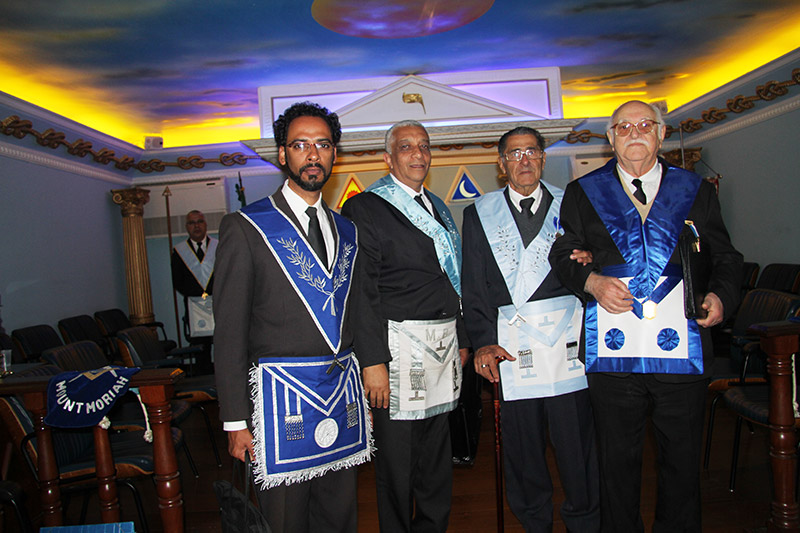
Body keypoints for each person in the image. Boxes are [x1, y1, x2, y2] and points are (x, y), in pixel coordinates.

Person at [549, 100, 743, 532]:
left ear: (660, 133)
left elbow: (726, 258)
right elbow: (563, 254)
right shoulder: (583, 191)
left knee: (682, 464)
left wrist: (721, 297)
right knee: (615, 465)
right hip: (613, 356)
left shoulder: (695, 189)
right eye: (623, 127)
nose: (634, 133)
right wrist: (592, 282)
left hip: (682, 350)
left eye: (644, 125)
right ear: (610, 138)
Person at [214, 101, 372, 533]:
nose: (313, 154)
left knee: (339, 518)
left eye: (323, 144)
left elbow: (354, 315)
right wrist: (235, 421)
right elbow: (229, 333)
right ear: (283, 154)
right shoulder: (247, 227)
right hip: (279, 406)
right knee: (285, 522)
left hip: (340, 397)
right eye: (301, 145)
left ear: (335, 154)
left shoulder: (348, 230)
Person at [462, 126, 600, 532]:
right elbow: (474, 285)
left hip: (566, 345)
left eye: (532, 152)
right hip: (511, 347)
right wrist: (483, 342)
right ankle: (534, 522)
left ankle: (585, 521)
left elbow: (595, 263)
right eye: (514, 154)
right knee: (522, 449)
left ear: (543, 157)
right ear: (501, 164)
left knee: (576, 445)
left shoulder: (572, 204)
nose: (524, 160)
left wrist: (592, 259)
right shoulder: (479, 213)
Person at [341, 120, 469, 532]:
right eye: (406, 146)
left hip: (443, 349)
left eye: (424, 146)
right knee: (397, 467)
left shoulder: (439, 207)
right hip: (397, 354)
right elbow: (362, 292)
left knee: (436, 459)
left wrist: (463, 338)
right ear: (388, 158)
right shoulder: (365, 208)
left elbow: (453, 279)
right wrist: (372, 361)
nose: (418, 154)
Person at [171, 210, 215, 372]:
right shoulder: (179, 251)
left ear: (205, 225)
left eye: (199, 222)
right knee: (200, 346)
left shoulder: (218, 247)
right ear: (187, 227)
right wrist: (197, 295)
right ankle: (203, 375)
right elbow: (177, 280)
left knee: (222, 341)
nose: (196, 226)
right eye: (192, 223)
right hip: (194, 305)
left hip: (217, 302)